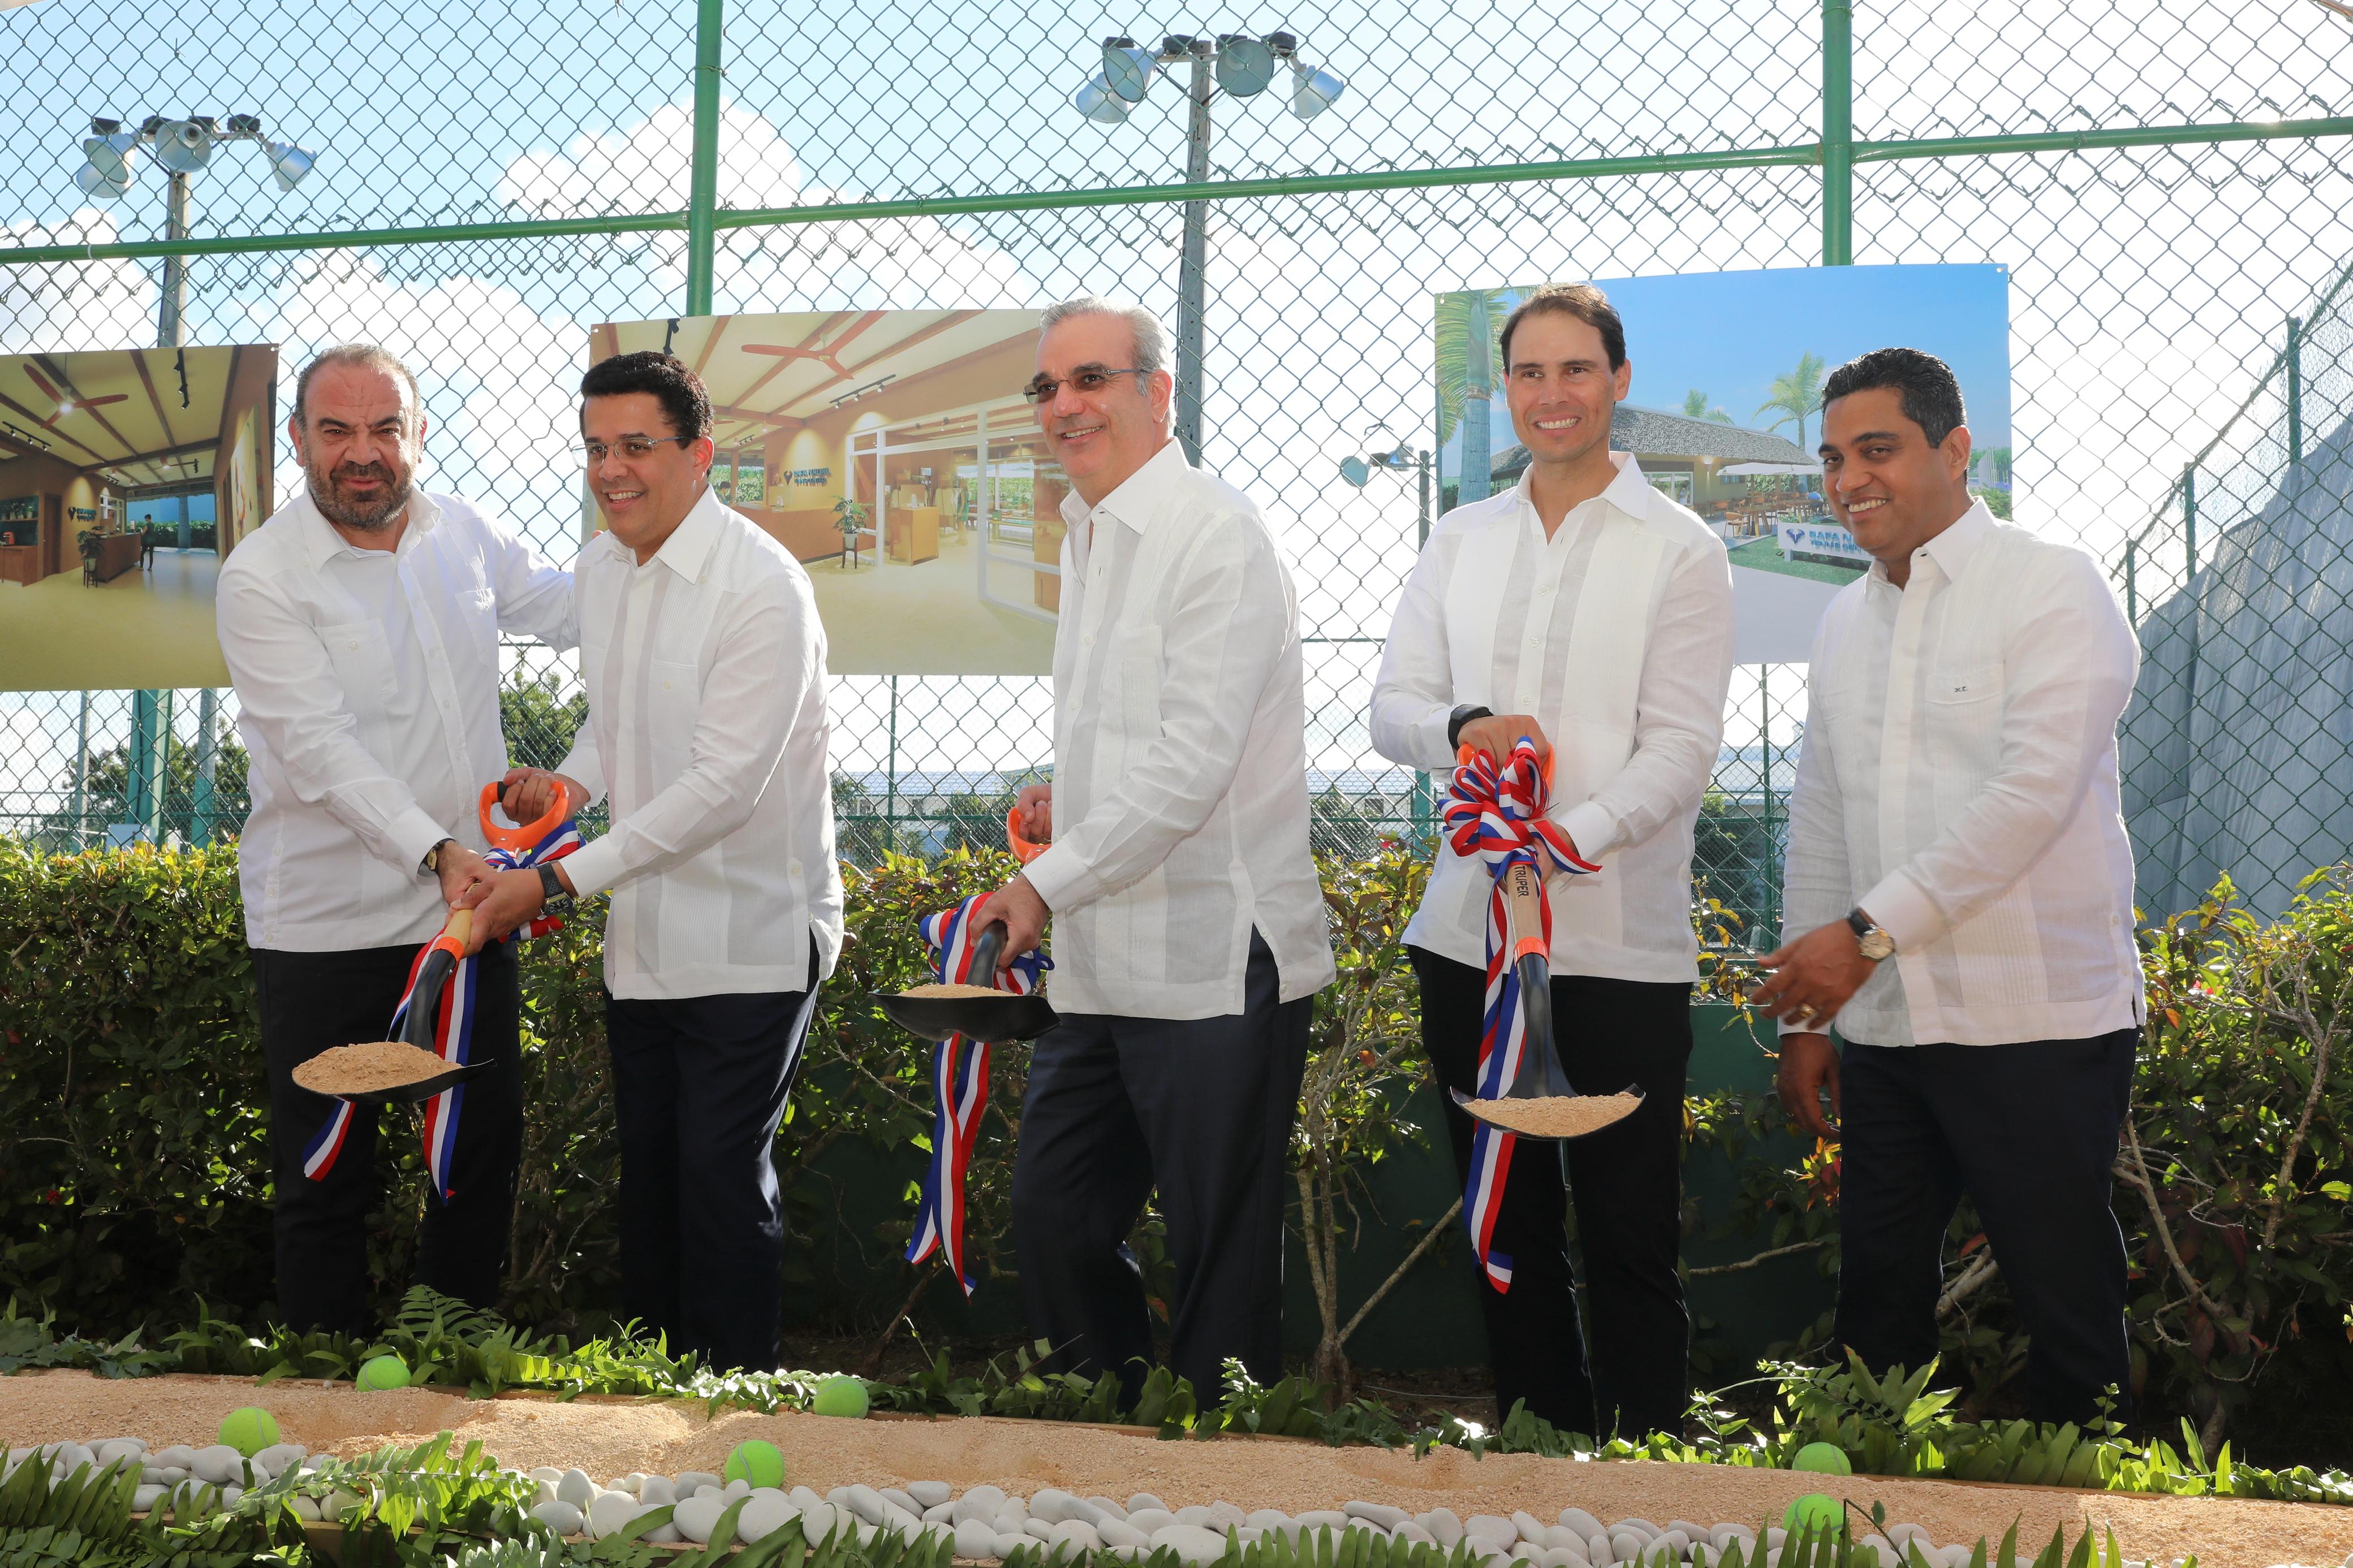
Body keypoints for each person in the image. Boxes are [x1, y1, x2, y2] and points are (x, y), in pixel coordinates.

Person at [1368, 283, 1735, 1439]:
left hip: (1618, 945)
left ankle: (1647, 1475)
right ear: (1504, 391)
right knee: (1506, 1225)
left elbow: (1681, 748)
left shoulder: (1682, 549)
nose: (1553, 394)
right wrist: (1465, 725)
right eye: (1529, 373)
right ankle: (1538, 1455)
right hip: (1465, 942)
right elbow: (1391, 710)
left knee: (1630, 1233)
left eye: (1575, 370)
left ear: (1619, 383)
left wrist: (1555, 843)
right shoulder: (1458, 537)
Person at [1756, 347, 2143, 1427]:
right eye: (1833, 458)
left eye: (1876, 449)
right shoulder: (1844, 623)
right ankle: (1877, 1512)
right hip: (1884, 1029)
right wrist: (1809, 1011)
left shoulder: (2053, 584)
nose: (1848, 479)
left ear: (1955, 449)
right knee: (1876, 1306)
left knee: (2065, 1304)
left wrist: (1865, 937)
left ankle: (2093, 1514)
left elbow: (2031, 799)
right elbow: (1824, 818)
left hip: (2037, 1017)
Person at [973, 297, 1336, 1405]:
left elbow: (1192, 763)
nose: (1065, 406)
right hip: (1103, 956)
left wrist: (1041, 878)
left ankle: (1225, 1494)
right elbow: (1137, 740)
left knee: (1220, 1264)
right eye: (1047, 387)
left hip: (1216, 955)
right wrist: (1067, 804)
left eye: (1090, 379)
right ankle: (1109, 1446)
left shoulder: (1213, 532)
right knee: (1052, 1214)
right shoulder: (1087, 534)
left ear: (1156, 393)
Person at [464, 350, 841, 1375]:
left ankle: (732, 1409)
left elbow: (724, 787)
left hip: (755, 934)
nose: (611, 470)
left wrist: (550, 878)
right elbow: (619, 719)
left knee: (720, 1178)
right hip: (648, 939)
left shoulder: (764, 587)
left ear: (699, 454)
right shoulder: (602, 568)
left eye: (636, 446)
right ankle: (647, 1403)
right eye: (595, 448)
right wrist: (573, 787)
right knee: (654, 1182)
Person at [215, 343, 577, 1334]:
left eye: (385, 429)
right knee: (325, 1170)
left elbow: (572, 607)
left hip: (467, 917)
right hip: (324, 924)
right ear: (299, 442)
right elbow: (319, 753)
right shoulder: (261, 579)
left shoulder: (465, 533)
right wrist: (440, 850)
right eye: (337, 431)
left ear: (419, 435)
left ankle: (448, 1371)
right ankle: (322, 1393)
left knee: (477, 1154)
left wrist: (678, 564)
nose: (362, 454)